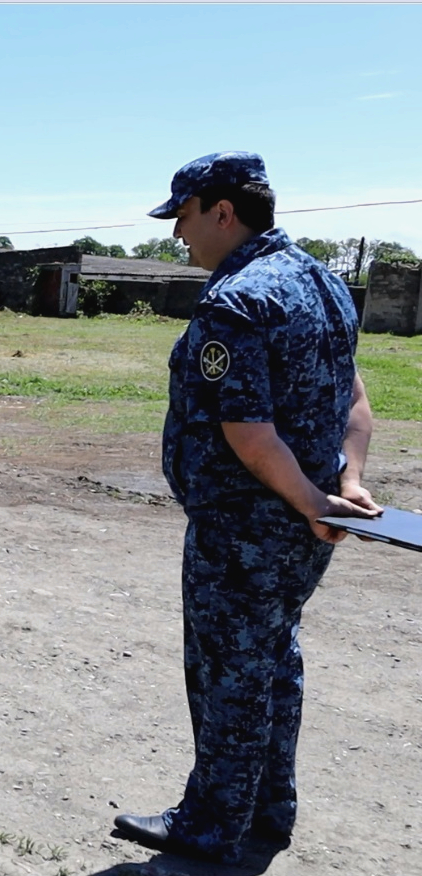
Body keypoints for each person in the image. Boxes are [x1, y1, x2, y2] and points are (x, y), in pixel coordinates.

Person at [113, 151, 381, 864]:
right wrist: (343, 486)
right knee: (272, 663)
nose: (178, 235)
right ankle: (268, 814)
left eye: (184, 216)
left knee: (227, 673)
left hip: (244, 528)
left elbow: (249, 432)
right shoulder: (322, 283)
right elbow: (356, 401)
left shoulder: (241, 297)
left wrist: (313, 497)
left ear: (222, 211)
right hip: (303, 528)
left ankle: (209, 827)